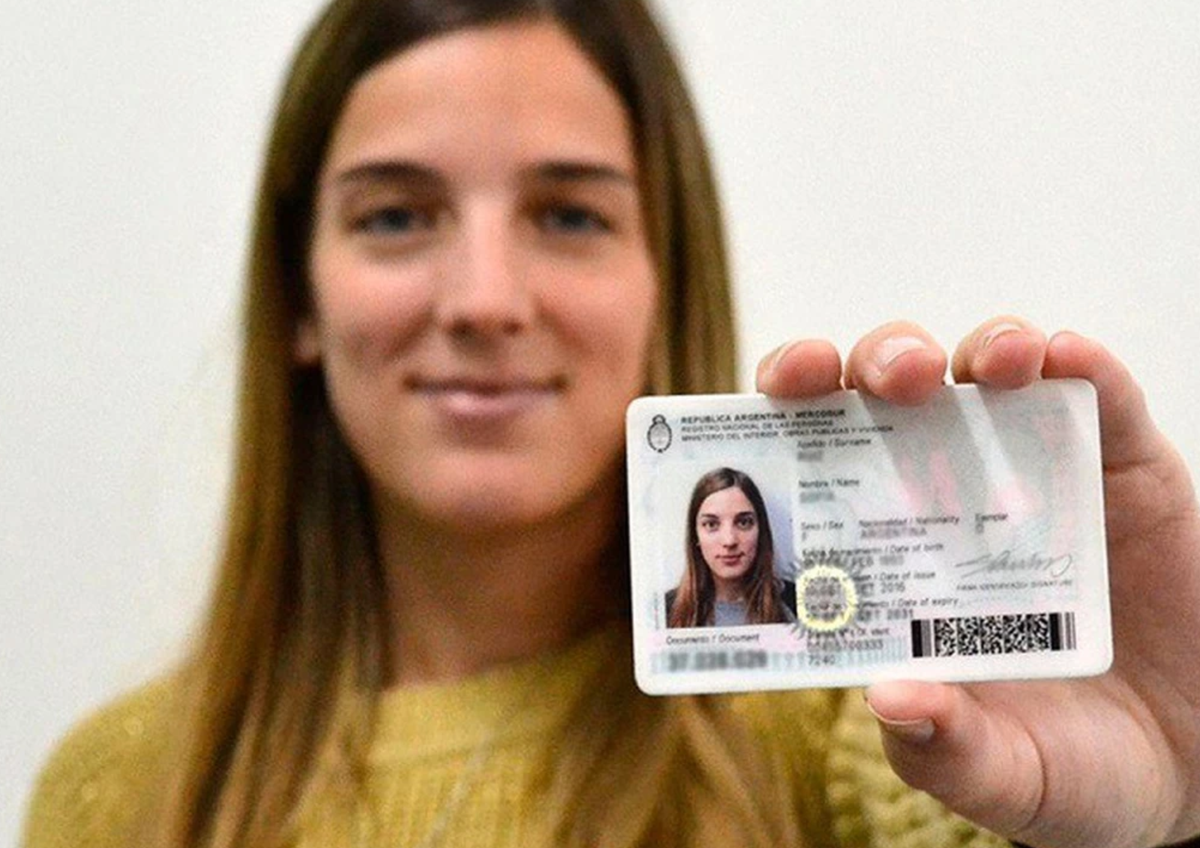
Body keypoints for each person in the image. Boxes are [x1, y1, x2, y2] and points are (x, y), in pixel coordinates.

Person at [20, 0, 1200, 847]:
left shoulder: (870, 742)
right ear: (299, 295)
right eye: (395, 216)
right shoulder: (114, 794)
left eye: (569, 216)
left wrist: (1174, 798)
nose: (484, 298)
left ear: (662, 279)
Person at [666, 467, 799, 628]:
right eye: (711, 524)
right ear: (696, 536)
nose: (729, 541)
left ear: (760, 531)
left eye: (743, 522)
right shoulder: (665, 612)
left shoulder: (797, 603)